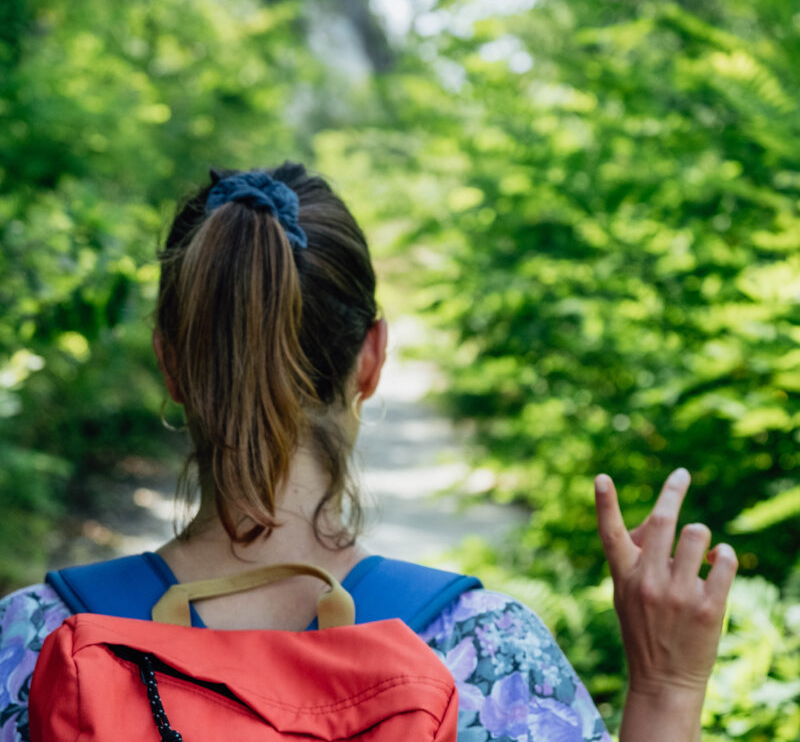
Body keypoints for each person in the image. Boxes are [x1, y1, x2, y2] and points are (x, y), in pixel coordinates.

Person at [0, 162, 737, 742]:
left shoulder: (31, 645)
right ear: (371, 359)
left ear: (171, 364)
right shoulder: (483, 652)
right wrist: (666, 690)